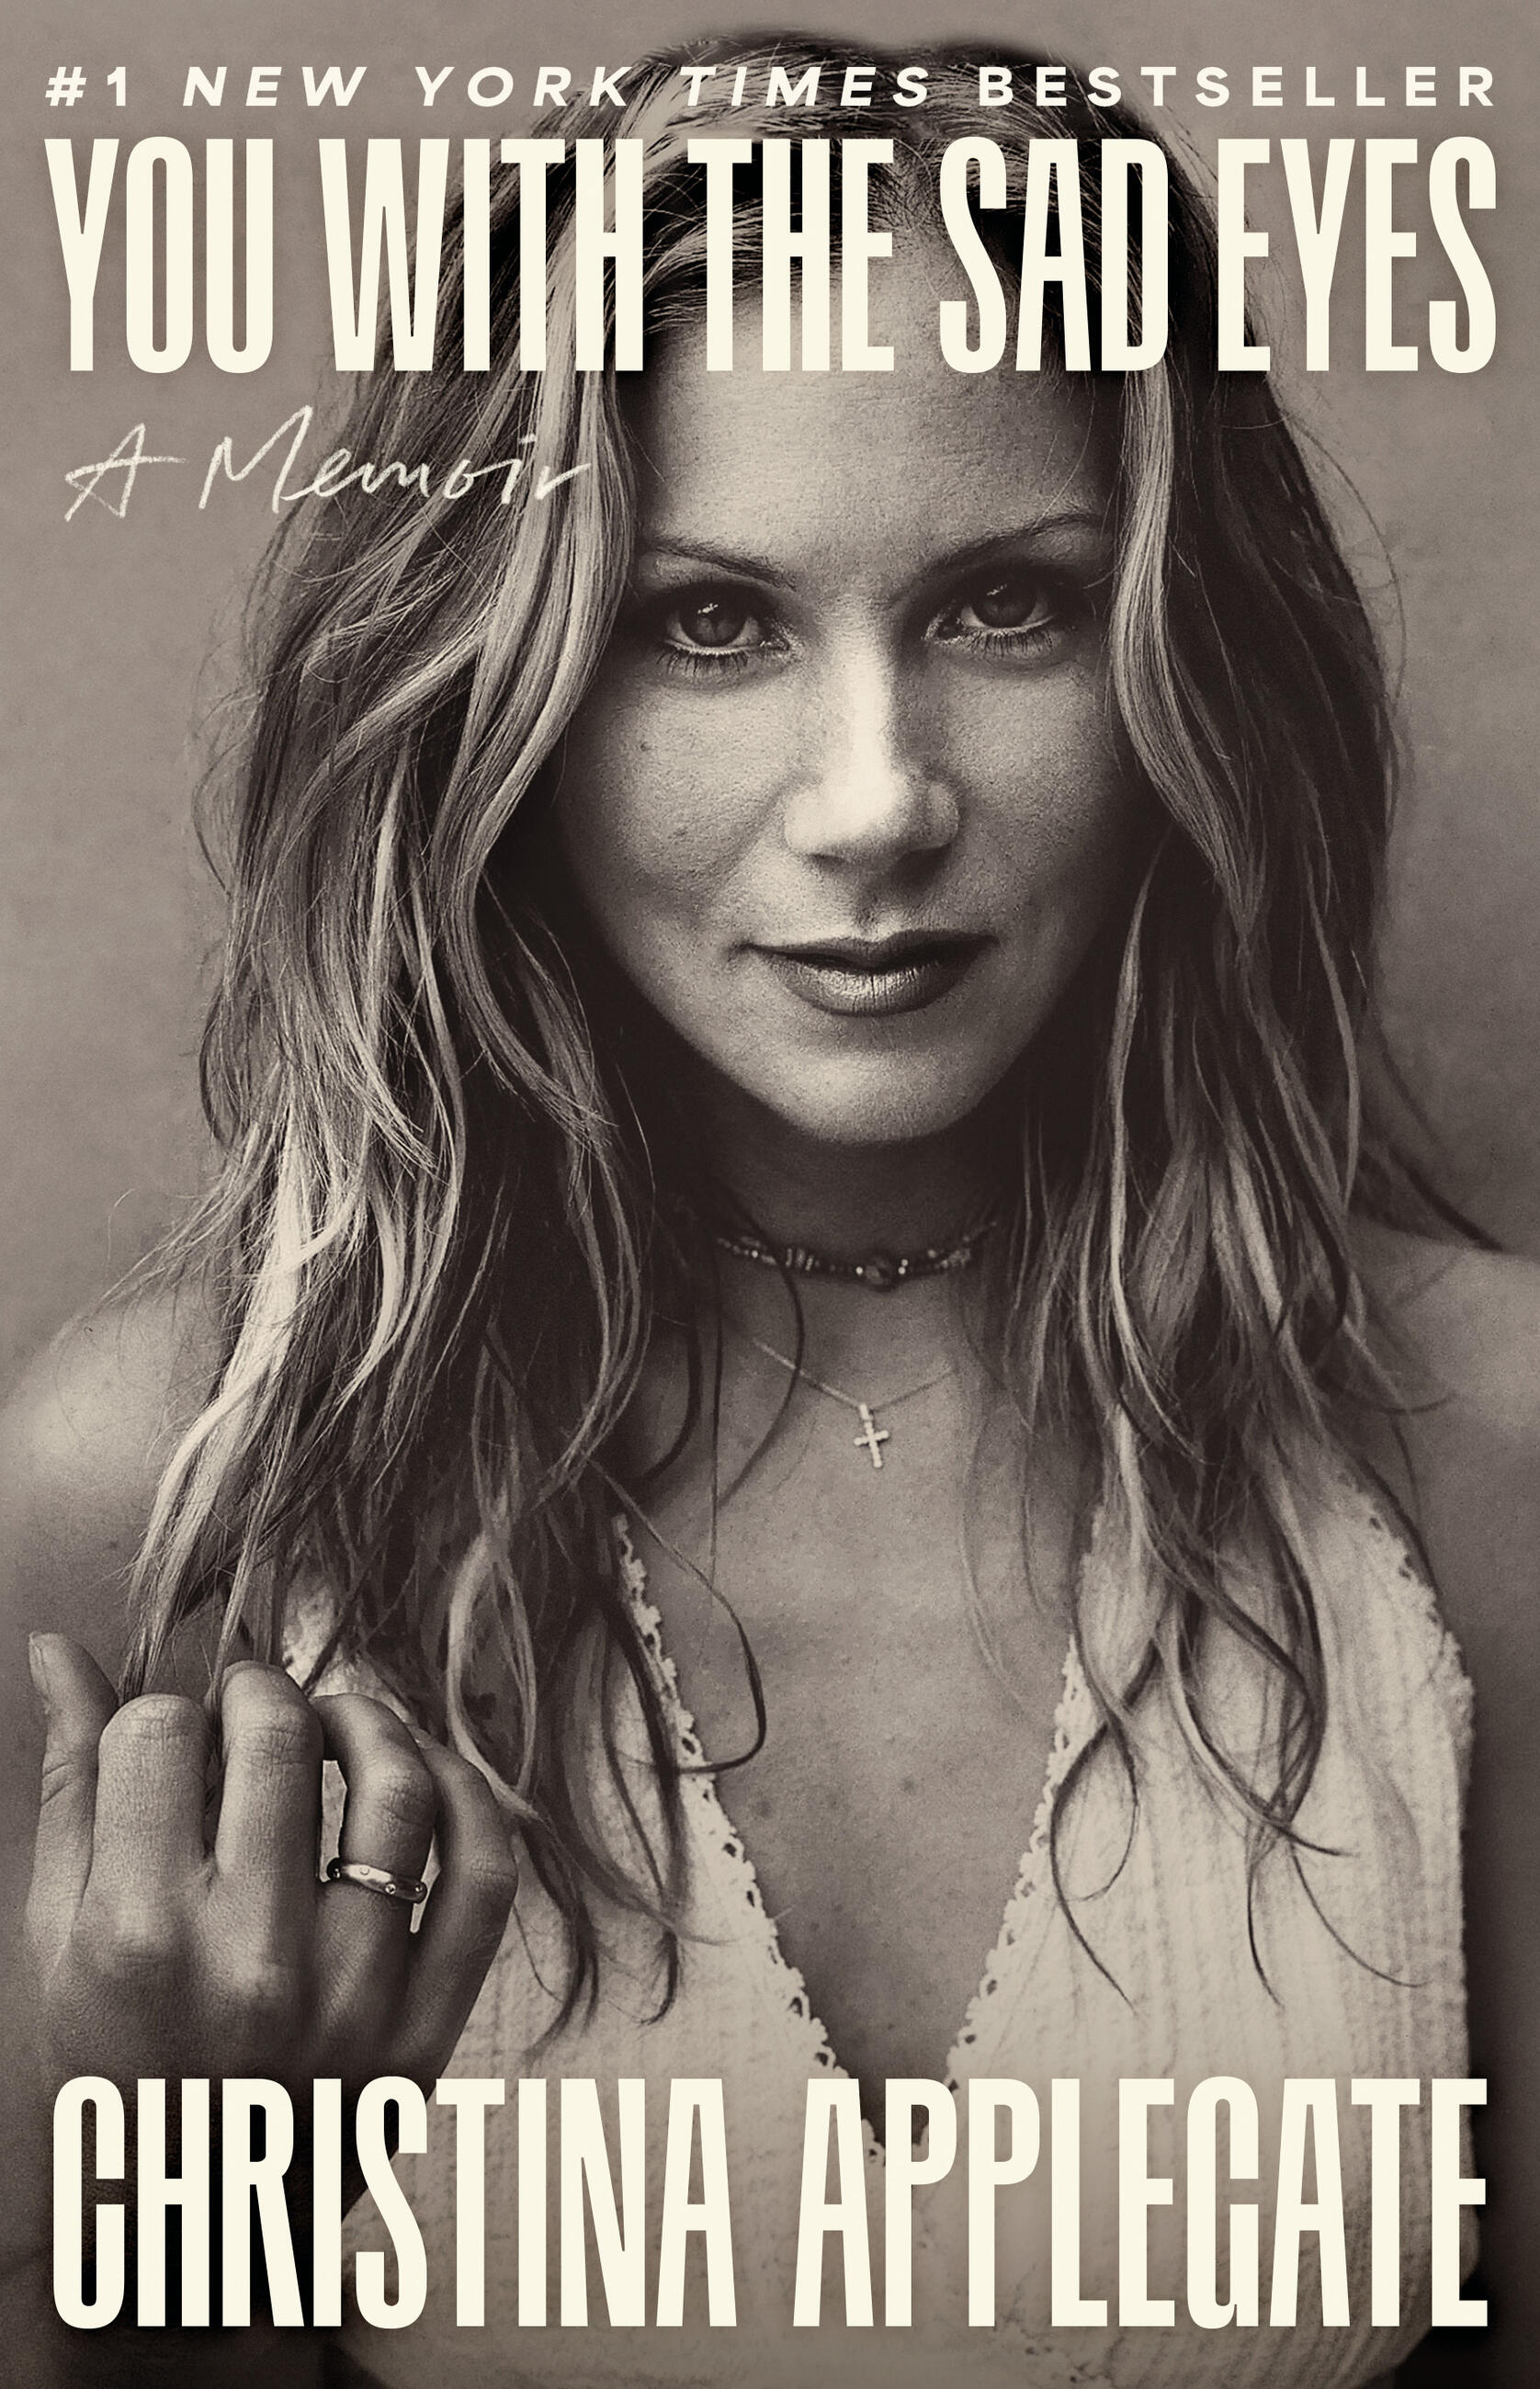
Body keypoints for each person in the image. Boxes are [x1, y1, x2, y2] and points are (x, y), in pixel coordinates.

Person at [1, 36, 1536, 2389]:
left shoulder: (1479, 1448)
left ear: (1181, 658)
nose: (875, 800)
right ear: (497, 690)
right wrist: (187, 2210)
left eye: (1008, 605)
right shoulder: (171, 1486)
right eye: (707, 622)